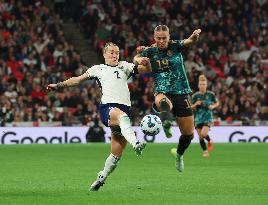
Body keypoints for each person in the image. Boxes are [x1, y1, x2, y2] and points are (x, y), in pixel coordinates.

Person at [47, 42, 150, 191]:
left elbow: (148, 69)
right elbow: (77, 80)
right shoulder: (98, 69)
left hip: (124, 110)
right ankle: (136, 143)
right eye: (111, 52)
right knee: (121, 117)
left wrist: (143, 59)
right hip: (108, 108)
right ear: (104, 54)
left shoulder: (125, 66)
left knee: (116, 155)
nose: (115, 55)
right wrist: (58, 85)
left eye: (117, 52)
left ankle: (100, 179)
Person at [134, 25, 201, 172]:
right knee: (163, 102)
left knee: (188, 134)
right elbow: (136, 58)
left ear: (169, 37)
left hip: (181, 92)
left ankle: (178, 155)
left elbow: (189, 41)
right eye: (159, 38)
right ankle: (166, 122)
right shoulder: (150, 51)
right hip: (162, 91)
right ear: (154, 38)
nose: (162, 41)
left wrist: (194, 36)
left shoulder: (175, 46)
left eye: (164, 38)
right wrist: (141, 60)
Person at [191, 74, 219, 157]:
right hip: (198, 118)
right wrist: (195, 104)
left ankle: (210, 141)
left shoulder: (211, 94)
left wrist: (213, 106)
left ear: (206, 85)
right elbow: (190, 107)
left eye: (204, 84)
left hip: (208, 117)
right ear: (198, 85)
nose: (202, 86)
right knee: (200, 137)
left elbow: (217, 102)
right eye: (201, 84)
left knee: (203, 134)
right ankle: (205, 151)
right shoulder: (195, 96)